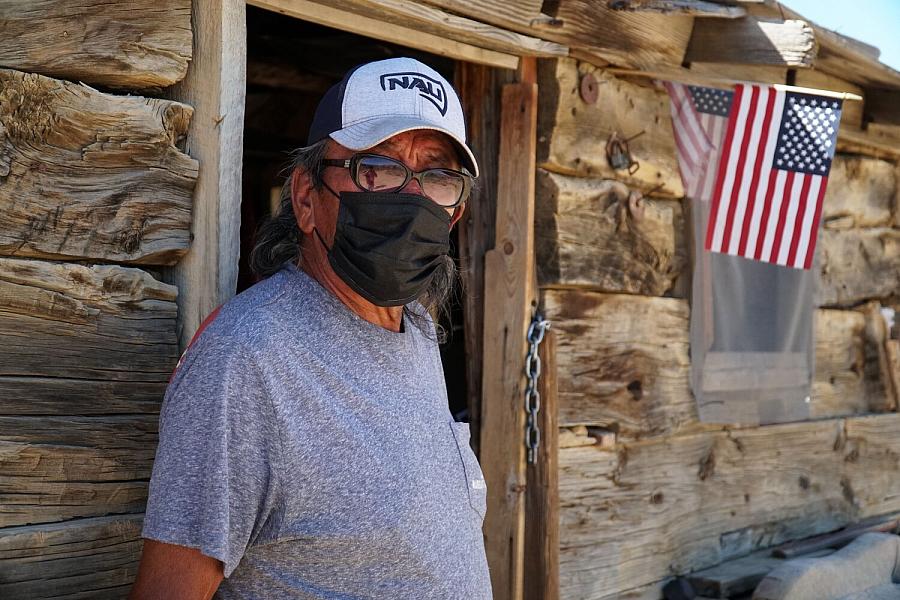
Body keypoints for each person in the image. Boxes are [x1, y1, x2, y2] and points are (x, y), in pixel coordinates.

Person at [130, 57, 492, 600]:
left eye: (439, 175)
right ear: (305, 197)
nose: (412, 199)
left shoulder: (415, 329)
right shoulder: (247, 359)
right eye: (379, 167)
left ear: (456, 211)